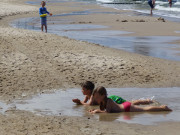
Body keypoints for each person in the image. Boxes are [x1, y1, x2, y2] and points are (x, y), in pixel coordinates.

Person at [89, 86, 172, 113]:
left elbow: (107, 113)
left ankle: (163, 108)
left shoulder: (109, 101)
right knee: (144, 109)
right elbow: (104, 110)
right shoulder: (103, 102)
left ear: (103, 95)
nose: (96, 99)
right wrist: (94, 110)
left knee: (144, 110)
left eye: (97, 97)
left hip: (126, 107)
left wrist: (98, 112)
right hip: (124, 106)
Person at [72, 81, 154, 105]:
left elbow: (89, 105)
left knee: (130, 103)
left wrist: (79, 102)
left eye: (83, 89)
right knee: (129, 103)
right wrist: (80, 102)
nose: (82, 91)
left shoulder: (93, 95)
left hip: (113, 99)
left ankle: (147, 101)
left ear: (89, 90)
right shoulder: (87, 95)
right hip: (109, 100)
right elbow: (85, 103)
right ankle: (145, 101)